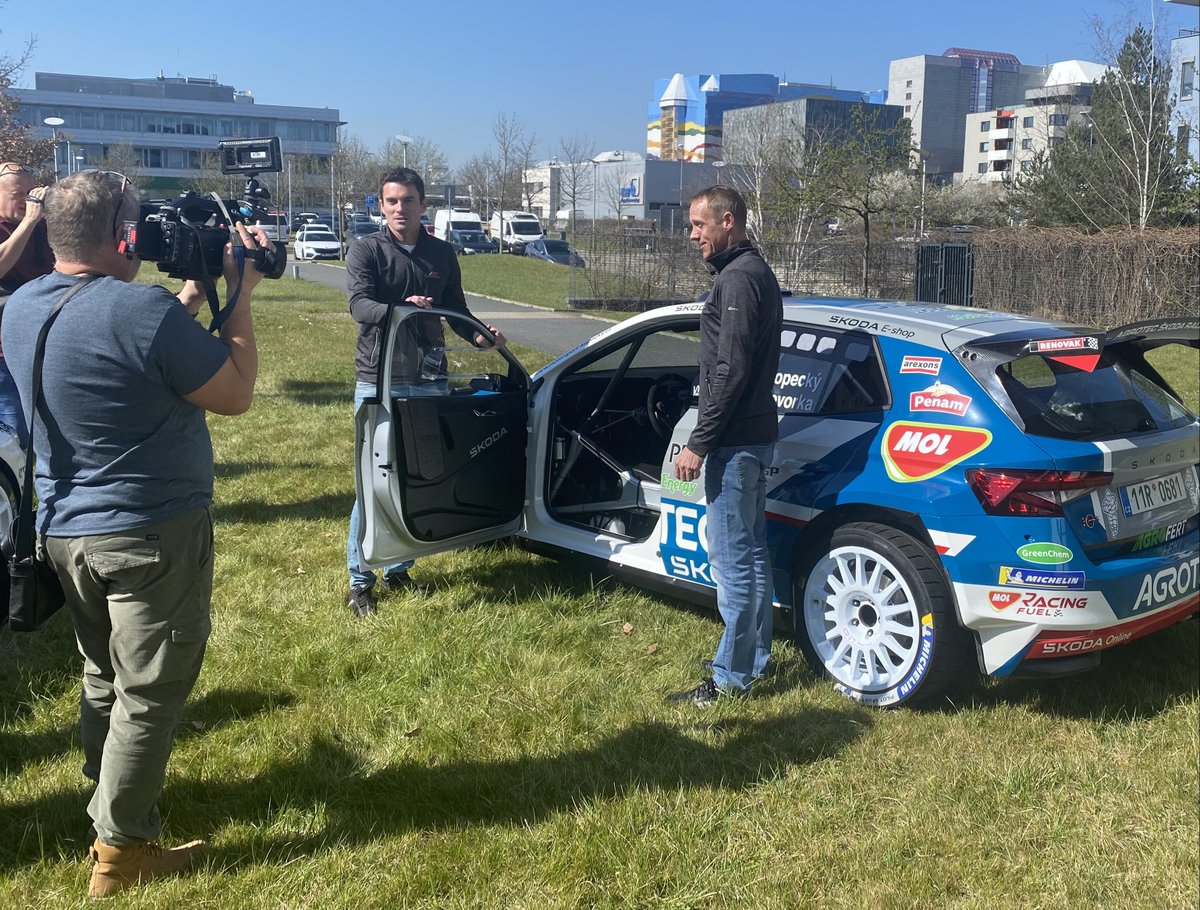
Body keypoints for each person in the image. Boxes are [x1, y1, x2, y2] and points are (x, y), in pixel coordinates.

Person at [1, 169, 273, 898]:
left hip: (65, 536)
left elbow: (134, 343)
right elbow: (236, 391)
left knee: (102, 676)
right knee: (150, 691)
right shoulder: (140, 313)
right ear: (123, 234)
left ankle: (104, 801)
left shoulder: (21, 305)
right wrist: (240, 295)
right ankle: (123, 849)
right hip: (148, 536)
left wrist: (190, 297)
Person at [345, 166, 505, 618]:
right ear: (380, 205)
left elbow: (455, 308)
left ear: (422, 205)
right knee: (373, 483)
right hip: (379, 381)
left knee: (420, 476)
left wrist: (480, 337)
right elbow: (359, 305)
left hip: (429, 379)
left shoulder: (440, 252)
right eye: (391, 201)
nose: (400, 208)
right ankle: (360, 582)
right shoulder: (367, 250)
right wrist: (402, 309)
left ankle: (399, 567)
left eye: (408, 200)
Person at [666, 185, 783, 707]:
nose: (692, 235)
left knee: (734, 563)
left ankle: (729, 678)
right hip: (755, 439)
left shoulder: (737, 281)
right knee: (753, 556)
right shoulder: (754, 272)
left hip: (735, 445)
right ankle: (754, 661)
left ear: (728, 221)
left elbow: (728, 370)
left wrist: (699, 442)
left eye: (698, 225)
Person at [0, 162, 54, 445]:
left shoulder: (43, 227)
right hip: (4, 351)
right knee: (13, 431)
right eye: (17, 194)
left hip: (39, 343)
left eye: (31, 192)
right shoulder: (23, 225)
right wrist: (29, 222)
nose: (26, 201)